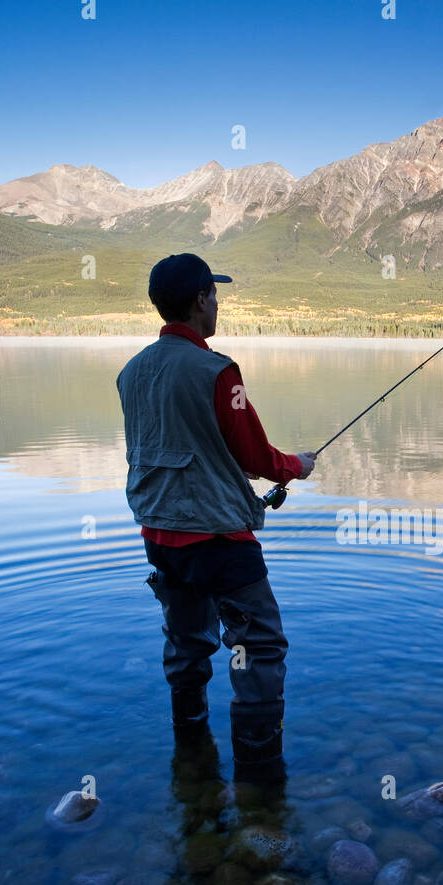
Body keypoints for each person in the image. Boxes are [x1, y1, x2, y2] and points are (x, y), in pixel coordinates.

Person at [115, 253, 316, 784]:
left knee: (186, 641)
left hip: (160, 538)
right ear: (201, 299)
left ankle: (191, 749)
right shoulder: (219, 370)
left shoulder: (130, 372)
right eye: (215, 294)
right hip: (221, 542)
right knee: (260, 645)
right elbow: (256, 459)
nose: (219, 303)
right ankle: (258, 771)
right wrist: (298, 466)